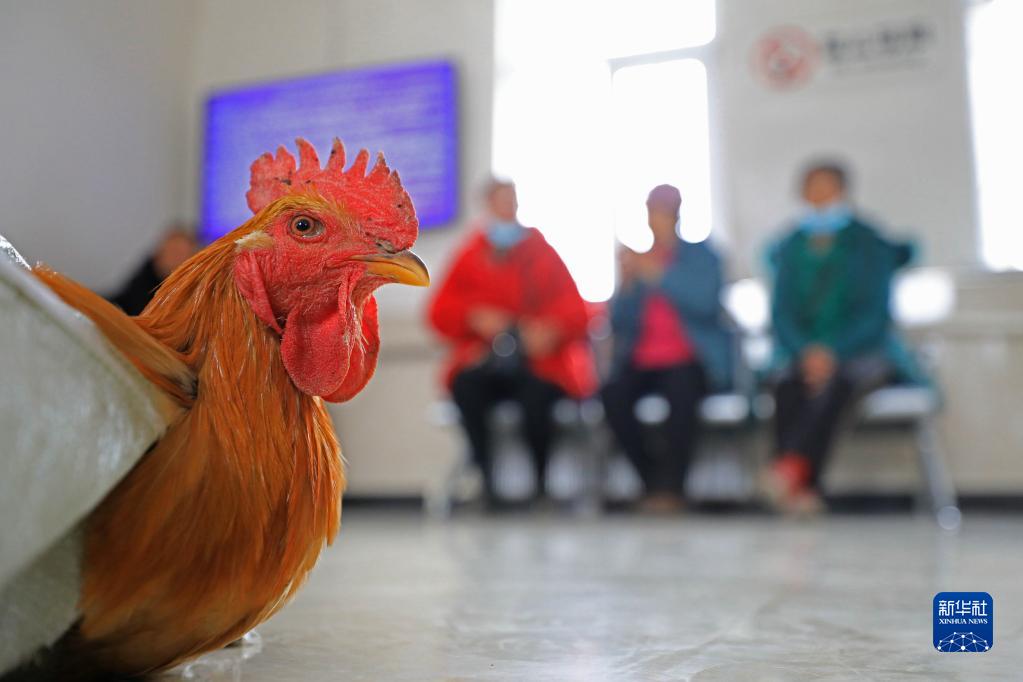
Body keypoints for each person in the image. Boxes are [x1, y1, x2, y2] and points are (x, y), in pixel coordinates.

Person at [763, 160, 920, 514]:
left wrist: (832, 352)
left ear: (843, 192)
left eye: (826, 188)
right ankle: (802, 490)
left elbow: (875, 314)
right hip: (801, 354)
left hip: (860, 351)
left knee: (837, 386)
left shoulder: (869, 243)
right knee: (787, 386)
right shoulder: (789, 247)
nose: (818, 197)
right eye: (812, 189)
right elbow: (781, 313)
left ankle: (790, 472)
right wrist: (806, 352)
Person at [428, 180, 595, 508]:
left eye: (512, 201)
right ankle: (486, 482)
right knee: (466, 386)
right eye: (500, 202)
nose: (508, 209)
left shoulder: (542, 253)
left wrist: (549, 330)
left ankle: (540, 485)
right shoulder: (469, 255)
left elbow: (577, 311)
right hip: (488, 360)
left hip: (538, 364)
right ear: (487, 207)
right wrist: (473, 317)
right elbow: (438, 313)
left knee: (537, 396)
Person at [601, 185, 733, 513]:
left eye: (663, 210)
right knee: (612, 394)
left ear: (677, 214)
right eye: (652, 210)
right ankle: (653, 483)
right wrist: (627, 285)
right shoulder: (639, 260)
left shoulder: (704, 257)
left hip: (690, 359)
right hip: (642, 361)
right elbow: (619, 322)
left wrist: (659, 275)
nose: (656, 218)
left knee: (682, 393)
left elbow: (706, 305)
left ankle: (672, 487)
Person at [108, 226, 198, 315]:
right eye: (171, 250)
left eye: (179, 253)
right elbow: (123, 300)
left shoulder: (189, 296)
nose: (173, 257)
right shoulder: (144, 276)